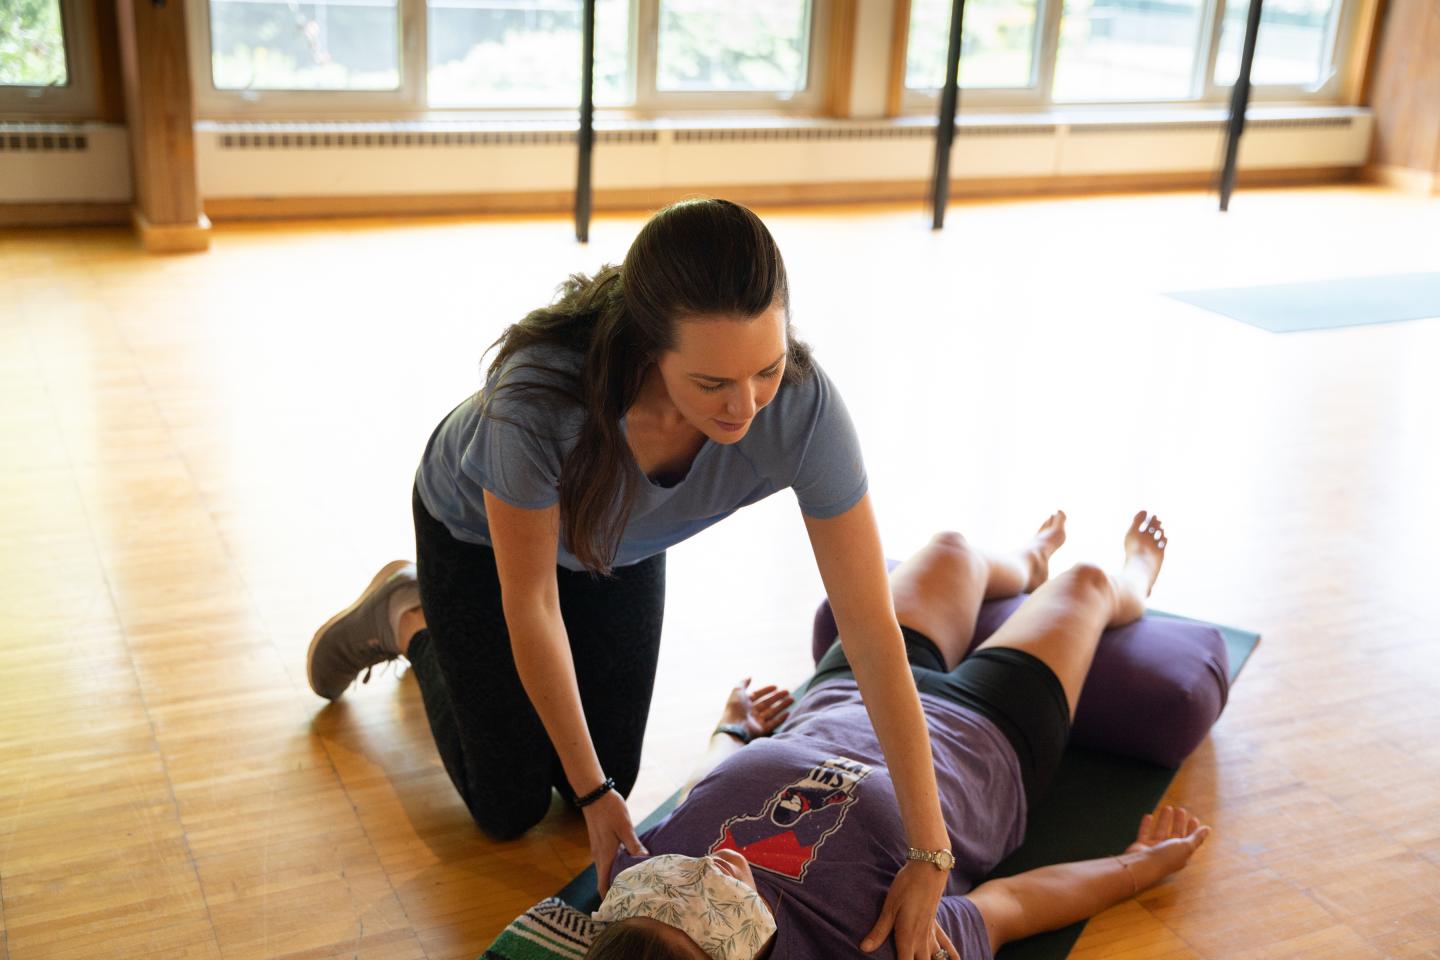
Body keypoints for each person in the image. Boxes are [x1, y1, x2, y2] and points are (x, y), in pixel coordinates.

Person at [307, 199, 962, 959]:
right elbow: (533, 606)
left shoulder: (804, 409)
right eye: (712, 381)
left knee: (611, 768)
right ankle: (407, 614)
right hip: (481, 537)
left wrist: (929, 850)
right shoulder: (535, 401)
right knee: (512, 803)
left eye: (766, 369)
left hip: (617, 543)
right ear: (650, 350)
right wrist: (588, 797)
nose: (746, 405)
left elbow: (871, 629)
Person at [585, 510, 1212, 960]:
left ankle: (1026, 562)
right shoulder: (870, 944)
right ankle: (1136, 577)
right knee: (1087, 584)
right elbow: (1008, 910)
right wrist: (1136, 870)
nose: (711, 862)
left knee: (952, 547)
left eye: (671, 884)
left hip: (857, 683)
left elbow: (700, 795)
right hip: (985, 732)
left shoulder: (641, 884)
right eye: (712, 901)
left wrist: (732, 730)